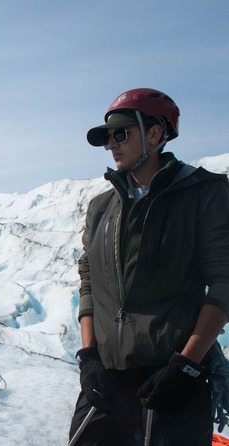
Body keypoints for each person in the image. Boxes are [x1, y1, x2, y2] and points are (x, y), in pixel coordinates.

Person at [68, 88, 229, 445]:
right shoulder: (101, 207)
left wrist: (186, 365)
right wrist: (89, 357)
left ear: (155, 134)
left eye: (121, 134)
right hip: (108, 378)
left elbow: (223, 283)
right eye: (107, 137)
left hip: (173, 376)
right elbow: (89, 281)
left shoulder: (203, 193)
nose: (111, 144)